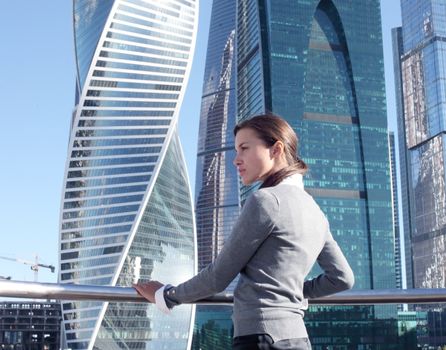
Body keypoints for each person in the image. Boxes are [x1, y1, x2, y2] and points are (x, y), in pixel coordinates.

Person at [133, 113, 354, 349]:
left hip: (260, 337)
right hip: (297, 338)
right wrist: (290, 291)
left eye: (244, 148)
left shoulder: (267, 201)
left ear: (276, 149)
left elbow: (218, 277)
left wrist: (165, 295)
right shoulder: (315, 211)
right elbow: (342, 278)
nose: (236, 160)